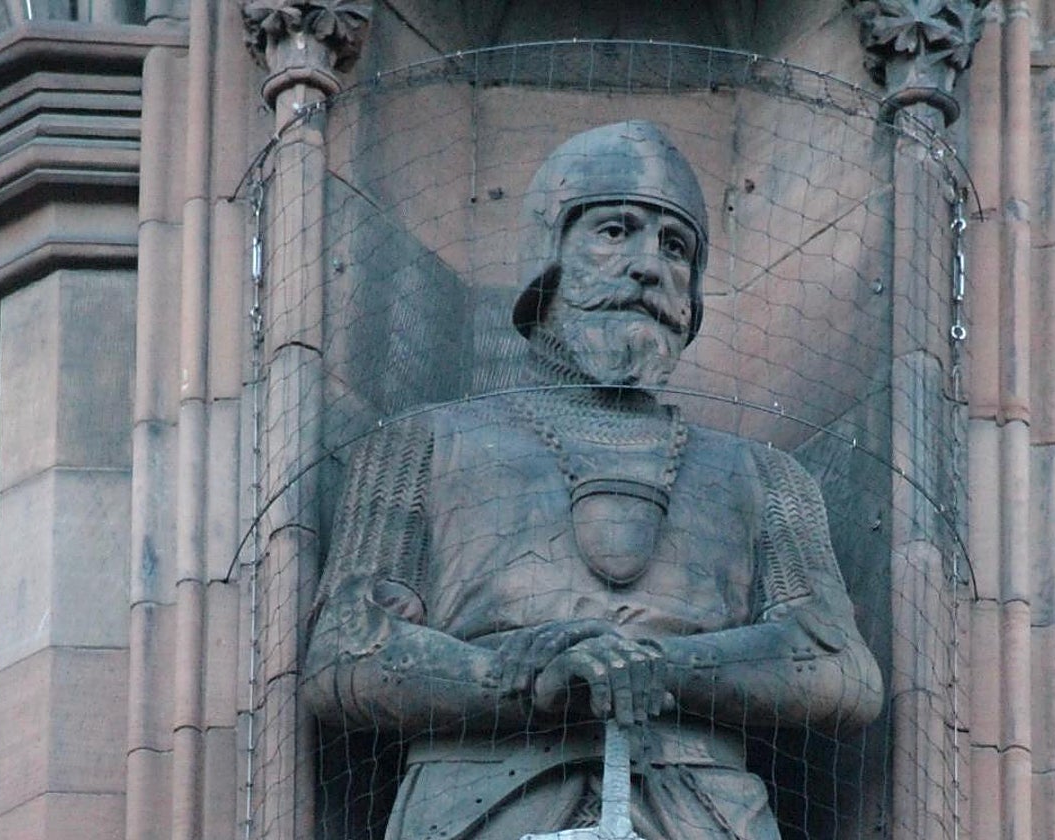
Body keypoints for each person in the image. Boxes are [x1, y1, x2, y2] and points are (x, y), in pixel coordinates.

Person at [303, 120, 883, 840]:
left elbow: (839, 668)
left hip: (704, 815)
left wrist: (659, 667)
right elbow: (344, 655)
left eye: (676, 247)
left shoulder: (768, 475)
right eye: (615, 231)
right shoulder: (418, 443)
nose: (649, 266)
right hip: (476, 808)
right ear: (549, 251)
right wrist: (522, 677)